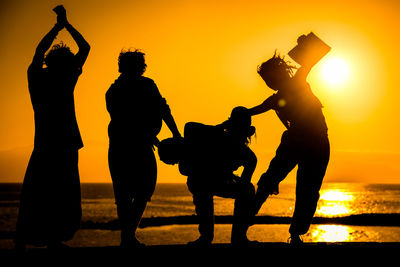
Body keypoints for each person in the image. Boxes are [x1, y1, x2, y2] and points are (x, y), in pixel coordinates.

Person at [15, 5, 90, 250]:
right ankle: (50, 239)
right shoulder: (66, 78)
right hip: (65, 143)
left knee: (37, 191)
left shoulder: (37, 77)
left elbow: (38, 52)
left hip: (46, 143)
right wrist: (65, 24)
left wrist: (56, 27)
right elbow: (86, 47)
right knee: (62, 192)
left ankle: (28, 239)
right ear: (68, 64)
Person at [249, 51, 330, 245]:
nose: (268, 83)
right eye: (266, 80)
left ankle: (295, 234)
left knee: (307, 190)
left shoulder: (297, 82)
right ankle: (247, 219)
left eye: (269, 79)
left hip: (315, 143)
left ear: (278, 75)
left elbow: (310, 60)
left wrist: (307, 46)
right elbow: (253, 110)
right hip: (299, 141)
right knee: (275, 180)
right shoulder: (276, 98)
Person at [106, 49, 181, 248]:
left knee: (139, 192)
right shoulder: (116, 91)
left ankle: (127, 237)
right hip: (127, 146)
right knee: (129, 193)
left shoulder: (142, 86)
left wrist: (175, 133)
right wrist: (165, 134)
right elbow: (123, 119)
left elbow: (163, 108)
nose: (140, 68)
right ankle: (128, 237)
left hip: (133, 144)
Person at [180, 107, 257, 247]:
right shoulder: (216, 135)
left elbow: (244, 186)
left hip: (221, 181)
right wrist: (219, 128)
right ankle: (206, 236)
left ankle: (239, 237)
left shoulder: (249, 156)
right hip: (202, 179)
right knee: (200, 184)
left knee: (248, 190)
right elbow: (189, 127)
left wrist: (234, 181)